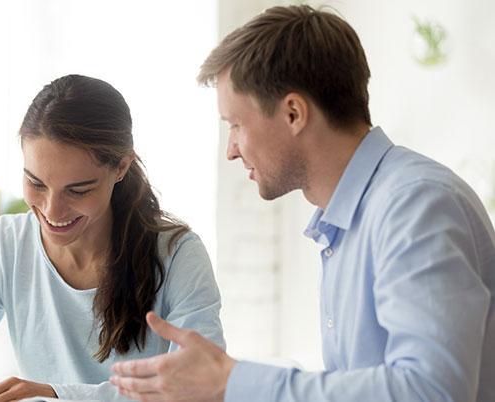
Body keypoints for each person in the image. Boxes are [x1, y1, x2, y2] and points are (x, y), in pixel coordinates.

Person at [110, 5, 495, 402]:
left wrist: (232, 383)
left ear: (294, 112)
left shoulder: (414, 206)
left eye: (236, 124)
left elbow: (431, 391)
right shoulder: (348, 219)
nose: (231, 150)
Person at [0, 74, 225, 402]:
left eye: (78, 190)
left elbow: (202, 387)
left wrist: (56, 395)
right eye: (36, 183)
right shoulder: (5, 247)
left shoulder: (177, 255)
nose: (52, 210)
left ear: (120, 167)